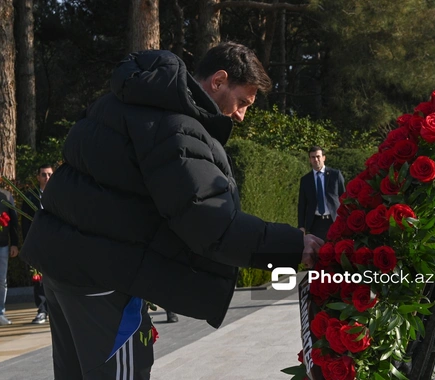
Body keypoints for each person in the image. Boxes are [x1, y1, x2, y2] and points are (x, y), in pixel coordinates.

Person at [20, 42, 323, 379]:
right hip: (105, 281)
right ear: (219, 80)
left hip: (62, 271)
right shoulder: (177, 128)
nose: (241, 115)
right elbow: (211, 224)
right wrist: (295, 244)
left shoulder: (118, 102)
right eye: (242, 103)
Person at [21, 164, 53, 324]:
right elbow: (25, 223)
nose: (47, 178)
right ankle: (42, 310)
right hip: (38, 244)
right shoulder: (30, 197)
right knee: (39, 279)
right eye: (44, 175)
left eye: (49, 175)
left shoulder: (60, 195)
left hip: (57, 243)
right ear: (38, 177)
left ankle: (56, 310)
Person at [298, 146, 346, 240]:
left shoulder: (335, 175)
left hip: (334, 221)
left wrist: (346, 219)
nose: (316, 159)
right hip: (316, 224)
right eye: (313, 157)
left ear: (324, 157)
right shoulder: (305, 180)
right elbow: (302, 204)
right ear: (310, 160)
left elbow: (344, 197)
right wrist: (301, 226)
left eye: (318, 156)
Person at [0, 187, 19, 326]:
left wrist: (15, 243)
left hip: (3, 244)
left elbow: (13, 221)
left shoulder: (6, 195)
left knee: (1, 281)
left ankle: (0, 312)